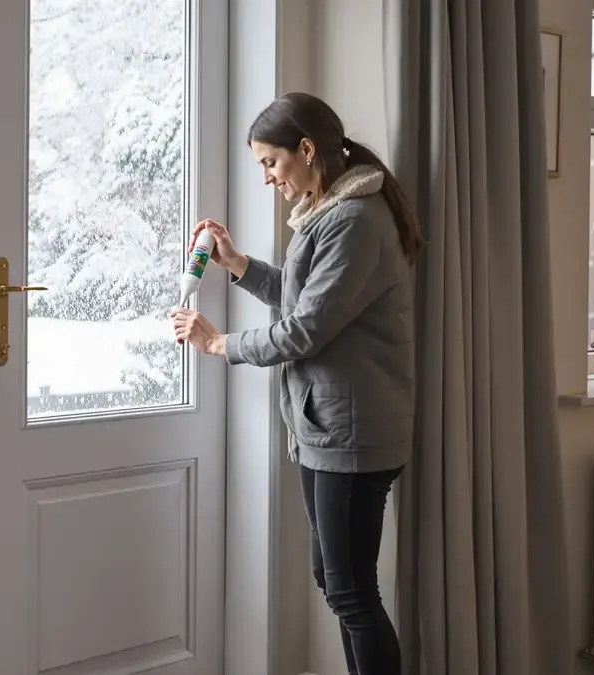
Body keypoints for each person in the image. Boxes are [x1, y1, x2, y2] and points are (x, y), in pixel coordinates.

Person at [171, 92, 423, 675]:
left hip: (353, 436)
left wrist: (219, 344)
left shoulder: (355, 220)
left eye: (270, 162)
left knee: (352, 594)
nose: (266, 177)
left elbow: (305, 329)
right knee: (338, 584)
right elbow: (309, 298)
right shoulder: (332, 213)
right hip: (326, 430)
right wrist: (237, 264)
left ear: (307, 149)